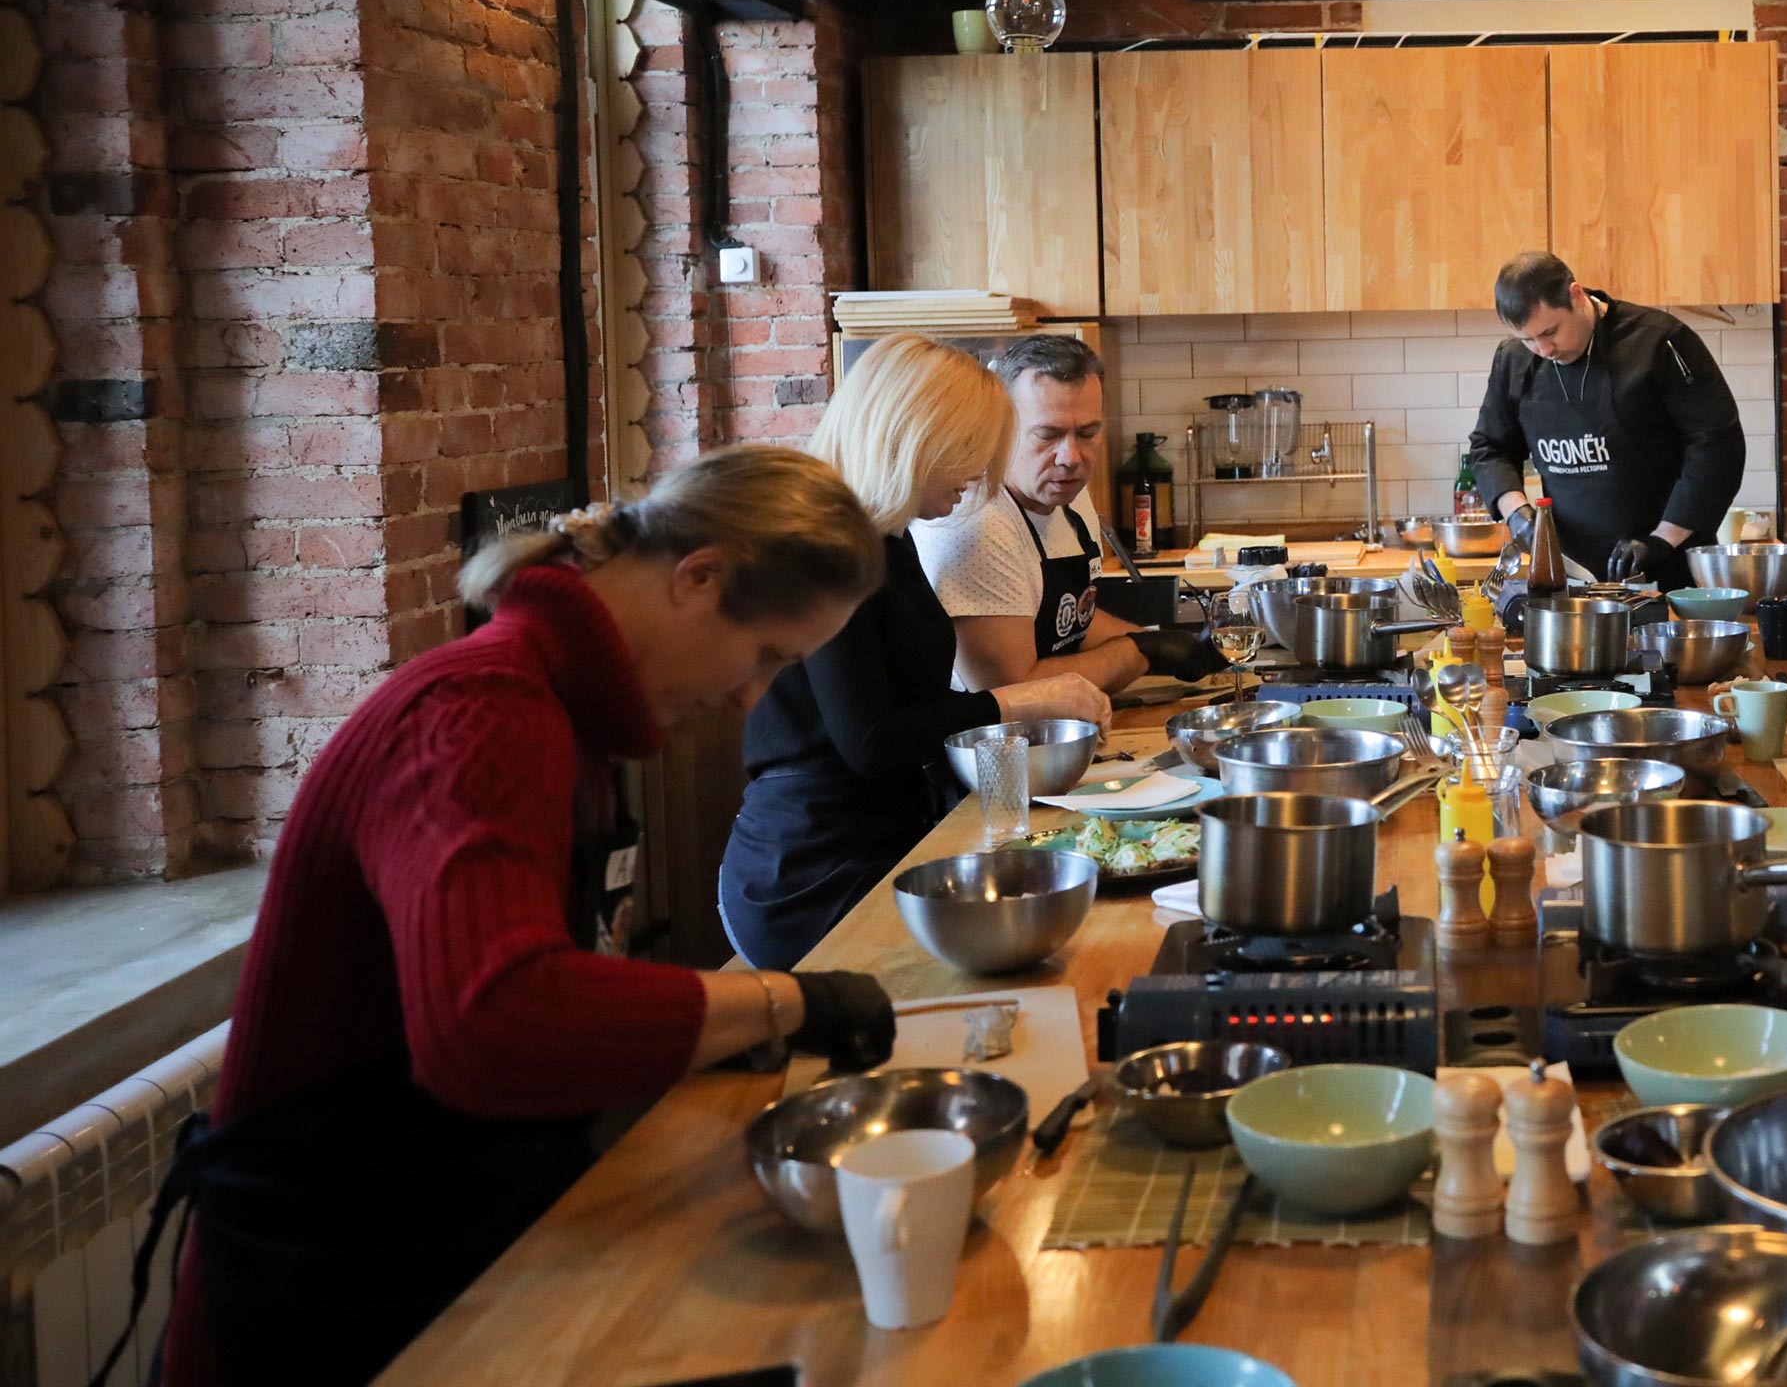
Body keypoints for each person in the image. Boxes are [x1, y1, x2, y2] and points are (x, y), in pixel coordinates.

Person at [152, 447, 902, 1387]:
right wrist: (783, 1001)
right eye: (766, 657)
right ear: (697, 577)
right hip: (323, 1302)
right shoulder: (480, 716)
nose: (752, 697)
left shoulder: (564, 718)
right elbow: (492, 1021)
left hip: (434, 1243)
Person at [719, 334, 1113, 971]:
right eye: (969, 449)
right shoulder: (825, 548)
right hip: (810, 873)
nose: (980, 469)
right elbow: (871, 741)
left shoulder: (887, 537)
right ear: (913, 435)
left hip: (886, 839)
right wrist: (1023, 699)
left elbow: (916, 709)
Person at [914, 332, 1232, 697]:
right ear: (1002, 427)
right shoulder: (976, 523)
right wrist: (1139, 652)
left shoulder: (1069, 496)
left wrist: (1168, 644)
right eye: (1048, 435)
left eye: (1087, 433)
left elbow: (1070, 621)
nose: (1071, 457)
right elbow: (1010, 691)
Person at [1463, 250, 1747, 584]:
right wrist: (1516, 513)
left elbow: (1717, 445)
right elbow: (1489, 447)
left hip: (1666, 569)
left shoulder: (1658, 342)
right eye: (1528, 340)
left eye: (1550, 332)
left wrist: (1662, 539)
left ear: (1576, 295)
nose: (1543, 350)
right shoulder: (1513, 361)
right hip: (1570, 576)